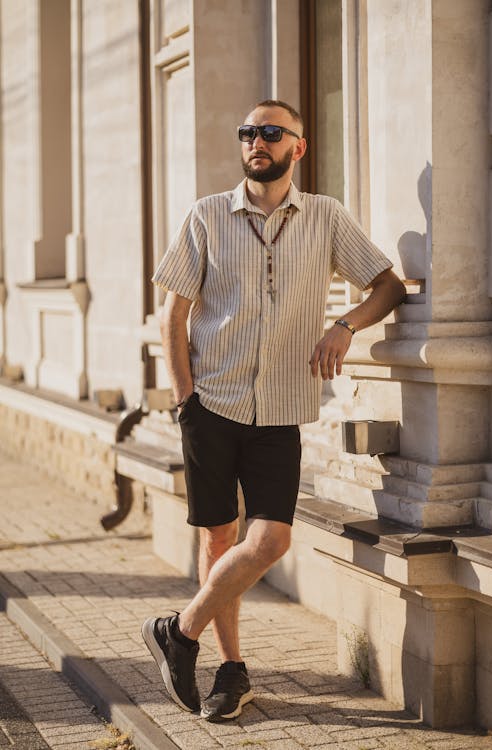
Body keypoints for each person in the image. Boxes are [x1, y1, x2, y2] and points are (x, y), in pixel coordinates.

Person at [142, 99, 406, 722]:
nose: (256, 142)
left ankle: (178, 632)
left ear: (298, 147)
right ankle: (231, 673)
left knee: (270, 540)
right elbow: (173, 316)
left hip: (281, 410)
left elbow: (388, 285)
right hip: (211, 402)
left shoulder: (325, 217)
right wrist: (185, 399)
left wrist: (344, 324)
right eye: (248, 133)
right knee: (220, 536)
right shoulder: (207, 215)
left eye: (270, 133)